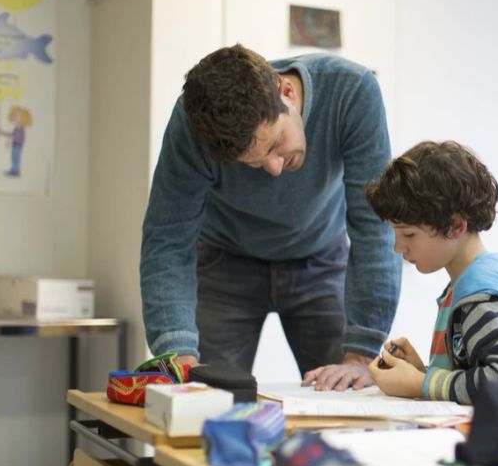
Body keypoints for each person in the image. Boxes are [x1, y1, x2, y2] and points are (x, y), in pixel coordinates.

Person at [140, 44, 401, 390]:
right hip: (224, 263)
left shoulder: (352, 91)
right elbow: (168, 239)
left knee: (347, 393)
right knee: (206, 401)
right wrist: (176, 354)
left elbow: (374, 225)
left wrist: (362, 353)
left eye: (276, 142)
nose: (275, 169)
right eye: (252, 162)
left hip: (321, 257)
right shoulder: (193, 126)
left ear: (287, 92)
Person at [364, 140, 498, 405]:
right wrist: (421, 373)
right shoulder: (475, 283)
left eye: (408, 233)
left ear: (455, 226)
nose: (398, 247)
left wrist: (422, 384)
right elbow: (474, 374)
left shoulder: (481, 300)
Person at [1, 105, 31, 177]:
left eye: (18, 116)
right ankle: (13, 169)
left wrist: (10, 142)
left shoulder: (21, 128)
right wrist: (2, 132)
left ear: (22, 118)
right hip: (15, 144)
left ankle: (16, 171)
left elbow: (18, 137)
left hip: (18, 145)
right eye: (15, 116)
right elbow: (12, 134)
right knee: (13, 157)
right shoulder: (16, 127)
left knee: (16, 157)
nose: (16, 118)